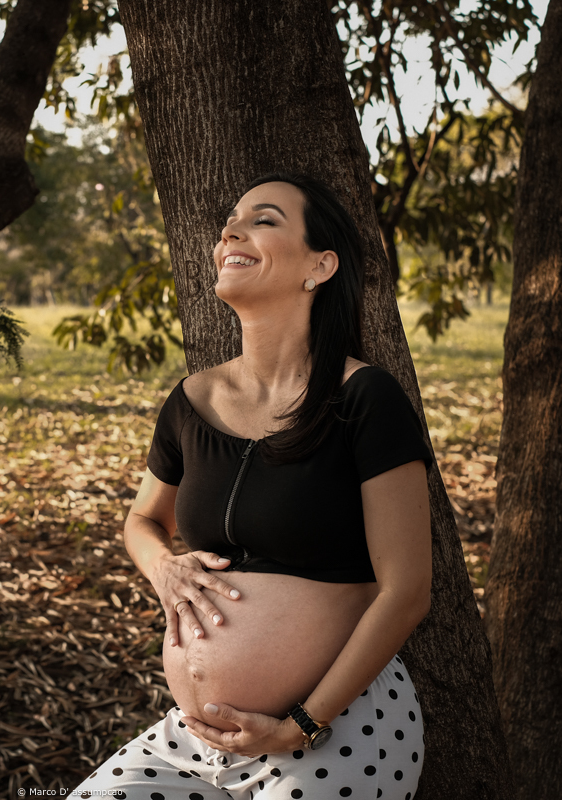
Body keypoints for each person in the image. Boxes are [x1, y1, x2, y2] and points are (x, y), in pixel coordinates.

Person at [69, 174, 433, 800]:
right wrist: (164, 569)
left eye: (263, 219)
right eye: (230, 221)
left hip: (339, 728)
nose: (230, 232)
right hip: (196, 739)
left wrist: (301, 724)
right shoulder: (191, 400)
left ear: (319, 265)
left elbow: (408, 591)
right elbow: (142, 522)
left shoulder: (365, 399)